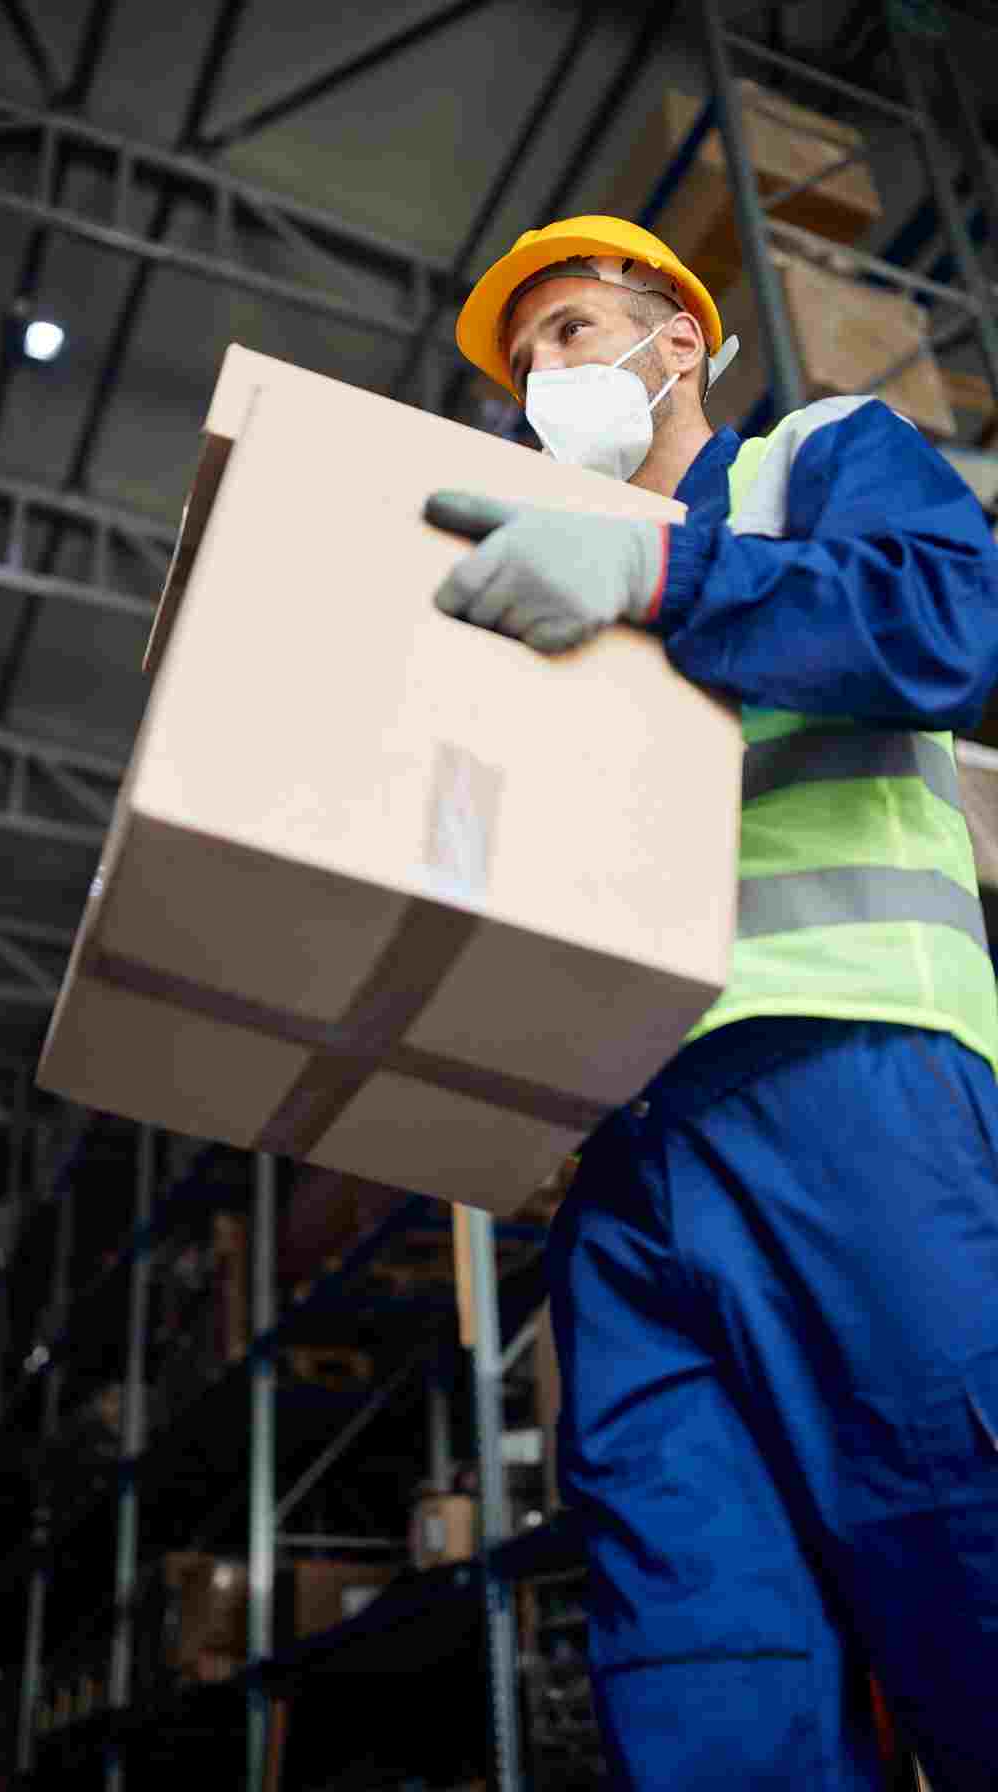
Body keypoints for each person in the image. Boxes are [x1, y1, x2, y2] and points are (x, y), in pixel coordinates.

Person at [424, 216, 998, 1791]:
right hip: (616, 1154)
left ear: (677, 338)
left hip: (847, 1078)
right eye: (523, 357)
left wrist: (661, 565)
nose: (545, 373)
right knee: (698, 1649)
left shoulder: (809, 457)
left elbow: (943, 622)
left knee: (961, 1545)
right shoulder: (523, 589)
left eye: (568, 331)